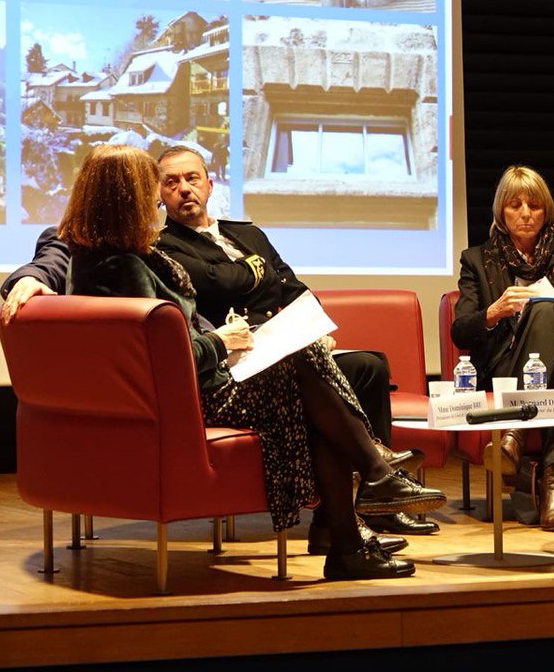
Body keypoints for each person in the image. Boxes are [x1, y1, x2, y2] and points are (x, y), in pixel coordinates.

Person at [0, 145, 435, 540]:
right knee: (303, 375)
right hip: (193, 387)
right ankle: (363, 495)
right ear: (127, 197)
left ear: (211, 184)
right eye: (156, 187)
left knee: (347, 363)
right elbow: (172, 330)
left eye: (188, 180)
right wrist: (222, 339)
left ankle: (351, 517)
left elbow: (283, 285)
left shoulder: (174, 244)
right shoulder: (115, 255)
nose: (161, 197)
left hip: (209, 368)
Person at [153, 145, 434, 538]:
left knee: (368, 367)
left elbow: (294, 288)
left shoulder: (247, 233)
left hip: (288, 343)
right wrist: (259, 276)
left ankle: (375, 502)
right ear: (160, 194)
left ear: (210, 184)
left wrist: (312, 328)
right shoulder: (165, 247)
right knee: (313, 383)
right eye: (172, 182)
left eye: (192, 178)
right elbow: (218, 284)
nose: (184, 189)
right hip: (239, 360)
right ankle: (369, 481)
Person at [451, 166, 554, 532]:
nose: (525, 213)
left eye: (535, 205)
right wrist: (493, 312)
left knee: (553, 317)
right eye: (515, 204)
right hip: (508, 365)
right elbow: (461, 331)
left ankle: (516, 434)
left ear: (547, 212)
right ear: (501, 212)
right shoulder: (477, 259)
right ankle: (553, 483)